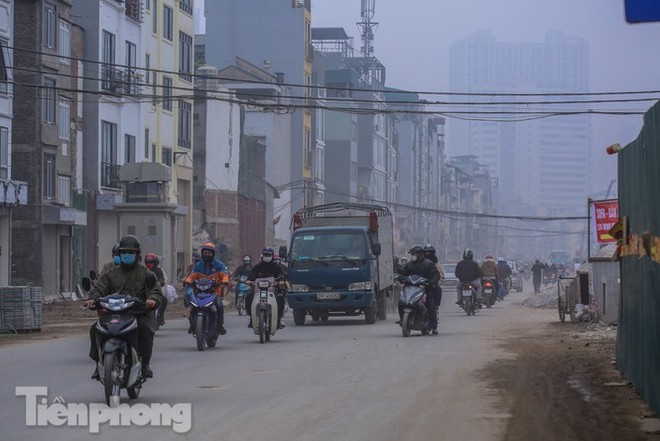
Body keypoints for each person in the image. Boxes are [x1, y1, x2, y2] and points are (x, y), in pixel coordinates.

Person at [84, 235, 162, 379]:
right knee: (95, 329)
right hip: (112, 313)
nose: (127, 256)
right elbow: (99, 288)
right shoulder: (110, 273)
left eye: (131, 253)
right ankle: (98, 364)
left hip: (136, 313)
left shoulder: (146, 273)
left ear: (137, 255)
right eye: (124, 253)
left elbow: (155, 291)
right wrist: (92, 299)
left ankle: (145, 364)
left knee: (146, 329)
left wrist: (152, 300)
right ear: (119, 254)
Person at [184, 242, 229, 335]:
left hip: (214, 291)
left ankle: (220, 325)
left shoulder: (219, 265)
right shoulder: (197, 265)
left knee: (220, 306)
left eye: (209, 253)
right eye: (205, 253)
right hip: (199, 291)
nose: (207, 255)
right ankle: (192, 324)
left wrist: (224, 281)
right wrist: (187, 281)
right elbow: (192, 276)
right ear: (202, 253)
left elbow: (224, 275)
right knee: (192, 306)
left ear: (213, 254)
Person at [398, 245, 440, 335]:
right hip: (411, 288)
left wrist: (430, 282)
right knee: (401, 302)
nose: (412, 255)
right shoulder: (409, 265)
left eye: (414, 254)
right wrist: (401, 278)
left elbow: (435, 275)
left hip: (425, 289)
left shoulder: (429, 264)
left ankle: (434, 326)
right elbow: (402, 273)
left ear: (420, 254)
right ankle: (402, 319)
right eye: (412, 254)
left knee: (431, 306)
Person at [246, 247, 287, 329]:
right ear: (262, 255)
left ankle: (279, 319)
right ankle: (251, 318)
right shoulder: (258, 266)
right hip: (258, 290)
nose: (266, 256)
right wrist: (249, 281)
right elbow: (251, 275)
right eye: (265, 254)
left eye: (268, 255)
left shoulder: (276, 266)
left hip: (273, 289)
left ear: (272, 256)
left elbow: (283, 274)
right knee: (249, 297)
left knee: (280, 298)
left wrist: (281, 281)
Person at [145, 253, 169, 326]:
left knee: (164, 300)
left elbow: (161, 280)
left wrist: (160, 283)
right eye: (148, 262)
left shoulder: (159, 270)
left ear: (155, 263)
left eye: (151, 262)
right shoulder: (143, 270)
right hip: (145, 292)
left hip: (155, 291)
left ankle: (160, 316)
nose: (149, 264)